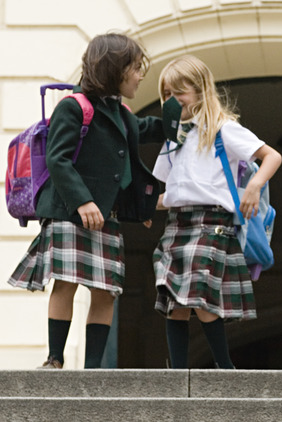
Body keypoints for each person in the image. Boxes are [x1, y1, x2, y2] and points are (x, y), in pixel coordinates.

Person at [7, 33, 166, 369]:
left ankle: (93, 368)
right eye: (136, 68)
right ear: (115, 69)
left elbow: (150, 128)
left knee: (106, 291)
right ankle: (54, 359)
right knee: (66, 284)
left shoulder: (120, 113)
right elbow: (58, 159)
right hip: (71, 212)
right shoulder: (74, 106)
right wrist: (82, 202)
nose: (140, 76)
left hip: (108, 215)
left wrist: (185, 111)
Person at [153, 55, 282, 369]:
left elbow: (272, 157)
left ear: (199, 90)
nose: (172, 100)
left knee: (199, 296)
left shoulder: (222, 129)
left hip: (212, 222)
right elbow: (165, 187)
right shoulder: (173, 138)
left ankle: (224, 366)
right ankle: (179, 370)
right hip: (177, 222)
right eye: (166, 94)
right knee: (174, 299)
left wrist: (253, 187)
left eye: (179, 92)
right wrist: (140, 206)